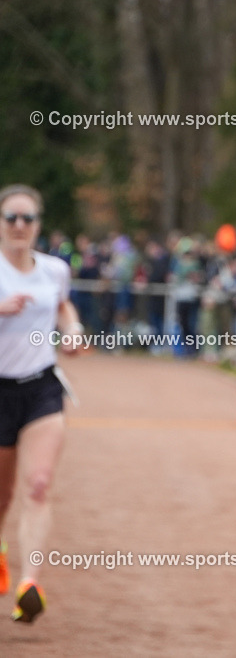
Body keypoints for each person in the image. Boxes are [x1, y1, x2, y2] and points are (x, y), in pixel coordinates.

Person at [0, 184, 82, 623]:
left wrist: (73, 329)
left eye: (27, 219)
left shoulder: (54, 270)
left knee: (38, 484)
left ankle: (29, 583)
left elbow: (64, 308)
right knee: (2, 494)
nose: (18, 226)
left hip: (41, 388)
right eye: (10, 217)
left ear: (38, 225)